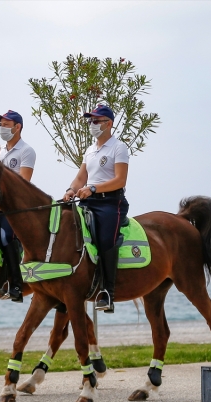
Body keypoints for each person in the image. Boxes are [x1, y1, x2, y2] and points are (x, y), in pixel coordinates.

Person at [63, 105, 129, 313]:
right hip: (88, 202)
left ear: (108, 123)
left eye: (96, 121)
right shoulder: (90, 150)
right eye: (90, 121)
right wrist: (71, 190)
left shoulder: (119, 147)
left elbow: (120, 180)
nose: (92, 125)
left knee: (105, 239)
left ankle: (107, 292)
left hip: (110, 203)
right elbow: (81, 177)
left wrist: (93, 188)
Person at [0, 110, 36, 302]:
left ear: (17, 127)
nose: (2, 128)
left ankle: (16, 285)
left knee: (5, 237)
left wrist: (1, 206)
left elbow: (23, 183)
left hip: (15, 208)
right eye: (1, 124)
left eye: (6, 124)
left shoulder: (26, 151)